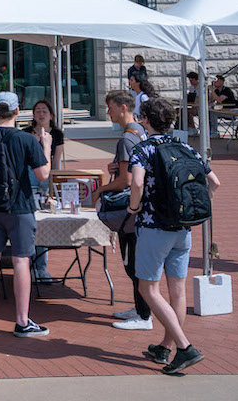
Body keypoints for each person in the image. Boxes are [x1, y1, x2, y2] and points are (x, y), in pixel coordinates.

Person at [126, 98, 219, 374]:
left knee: (148, 289)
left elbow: (137, 183)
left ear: (144, 120)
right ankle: (165, 347)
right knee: (177, 291)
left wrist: (133, 207)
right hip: (183, 226)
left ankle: (184, 346)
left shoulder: (143, 149)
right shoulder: (186, 147)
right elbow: (214, 182)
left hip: (154, 227)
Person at [0, 91, 51, 338]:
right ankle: (22, 321)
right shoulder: (26, 139)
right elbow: (42, 175)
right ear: (17, 112)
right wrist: (45, 147)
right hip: (20, 206)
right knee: (21, 260)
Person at [93, 90, 152, 330]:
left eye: (111, 107)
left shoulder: (127, 138)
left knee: (132, 262)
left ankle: (144, 315)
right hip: (141, 206)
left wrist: (101, 190)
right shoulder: (139, 132)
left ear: (123, 108)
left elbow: (126, 180)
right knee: (135, 260)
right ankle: (141, 308)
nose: (108, 112)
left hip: (130, 209)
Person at [23, 99, 66, 280]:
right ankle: (30, 266)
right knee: (32, 222)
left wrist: (54, 184)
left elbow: (56, 161)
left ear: (51, 115)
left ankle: (41, 266)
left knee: (45, 222)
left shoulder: (57, 134)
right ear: (33, 115)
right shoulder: (25, 134)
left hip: (47, 176)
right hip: (30, 176)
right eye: (37, 111)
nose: (41, 114)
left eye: (44, 111)